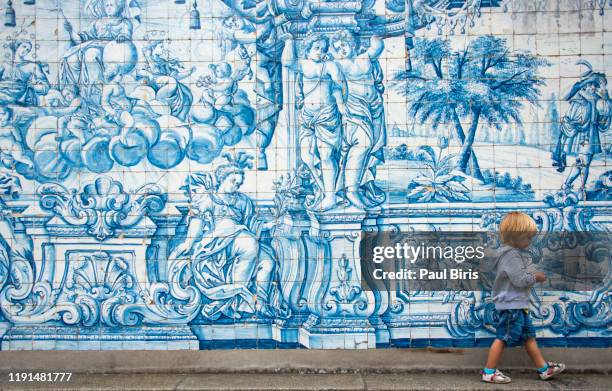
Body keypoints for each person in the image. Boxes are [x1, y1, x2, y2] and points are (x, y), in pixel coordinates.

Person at [169, 153, 290, 320]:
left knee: (267, 263)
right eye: (233, 181)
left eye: (239, 183)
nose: (237, 186)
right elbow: (196, 222)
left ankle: (259, 304)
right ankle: (233, 301)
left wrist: (267, 226)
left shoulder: (243, 201)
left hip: (242, 241)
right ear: (222, 178)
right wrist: (188, 244)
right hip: (216, 245)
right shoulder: (208, 199)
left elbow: (251, 224)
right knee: (249, 243)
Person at [482, 212, 565, 384]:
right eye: (528, 237)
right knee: (503, 337)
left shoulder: (509, 254)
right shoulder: (512, 255)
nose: (530, 241)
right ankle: (489, 372)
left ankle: (543, 369)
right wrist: (536, 277)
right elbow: (519, 280)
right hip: (511, 306)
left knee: (528, 336)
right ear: (515, 236)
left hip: (517, 305)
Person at [331, 30, 386, 209]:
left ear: (353, 44)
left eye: (344, 45)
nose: (342, 49)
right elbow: (335, 87)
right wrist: (340, 105)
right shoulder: (338, 64)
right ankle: (351, 189)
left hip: (374, 108)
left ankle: (361, 184)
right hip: (355, 108)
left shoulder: (364, 58)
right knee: (362, 144)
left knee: (373, 146)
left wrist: (378, 32)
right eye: (338, 47)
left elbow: (377, 47)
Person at [296, 35, 347, 211]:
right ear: (308, 49)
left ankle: (331, 195)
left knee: (326, 156)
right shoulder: (302, 64)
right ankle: (324, 189)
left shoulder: (331, 65)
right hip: (307, 116)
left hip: (327, 116)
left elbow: (340, 85)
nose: (320, 52)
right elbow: (286, 61)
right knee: (306, 157)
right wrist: (288, 39)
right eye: (316, 48)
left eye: (323, 49)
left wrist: (340, 102)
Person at [552, 64, 611, 193]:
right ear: (586, 85)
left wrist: (605, 94)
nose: (594, 88)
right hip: (578, 132)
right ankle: (575, 188)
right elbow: (563, 96)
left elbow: (606, 112)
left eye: (596, 85)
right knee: (582, 163)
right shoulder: (578, 94)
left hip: (590, 134)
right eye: (591, 84)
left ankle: (571, 187)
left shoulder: (598, 99)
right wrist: (579, 84)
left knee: (583, 163)